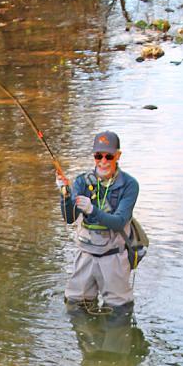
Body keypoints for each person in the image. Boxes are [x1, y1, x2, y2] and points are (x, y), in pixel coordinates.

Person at [56, 131, 139, 312]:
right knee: (75, 307)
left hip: (114, 257)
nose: (103, 161)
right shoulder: (81, 182)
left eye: (109, 156)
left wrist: (92, 210)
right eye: (98, 156)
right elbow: (69, 218)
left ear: (118, 156)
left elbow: (119, 222)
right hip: (85, 255)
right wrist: (64, 195)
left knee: (119, 311)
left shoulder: (129, 185)